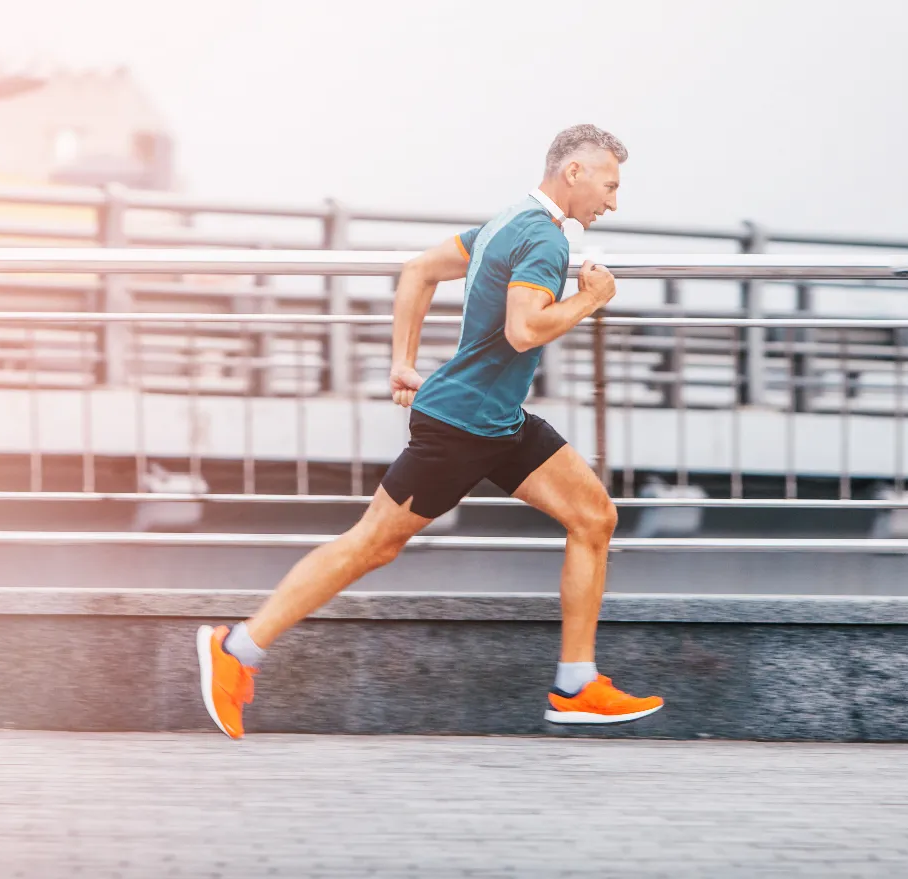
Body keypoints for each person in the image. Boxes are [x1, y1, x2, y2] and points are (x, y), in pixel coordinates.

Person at [197, 124, 664, 739]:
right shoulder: (543, 239)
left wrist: (402, 360)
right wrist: (593, 297)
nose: (612, 202)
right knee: (371, 545)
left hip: (499, 420)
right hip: (461, 425)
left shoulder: (508, 220)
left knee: (594, 518)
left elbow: (419, 270)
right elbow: (526, 331)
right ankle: (237, 650)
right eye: (609, 185)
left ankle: (576, 685)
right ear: (574, 173)